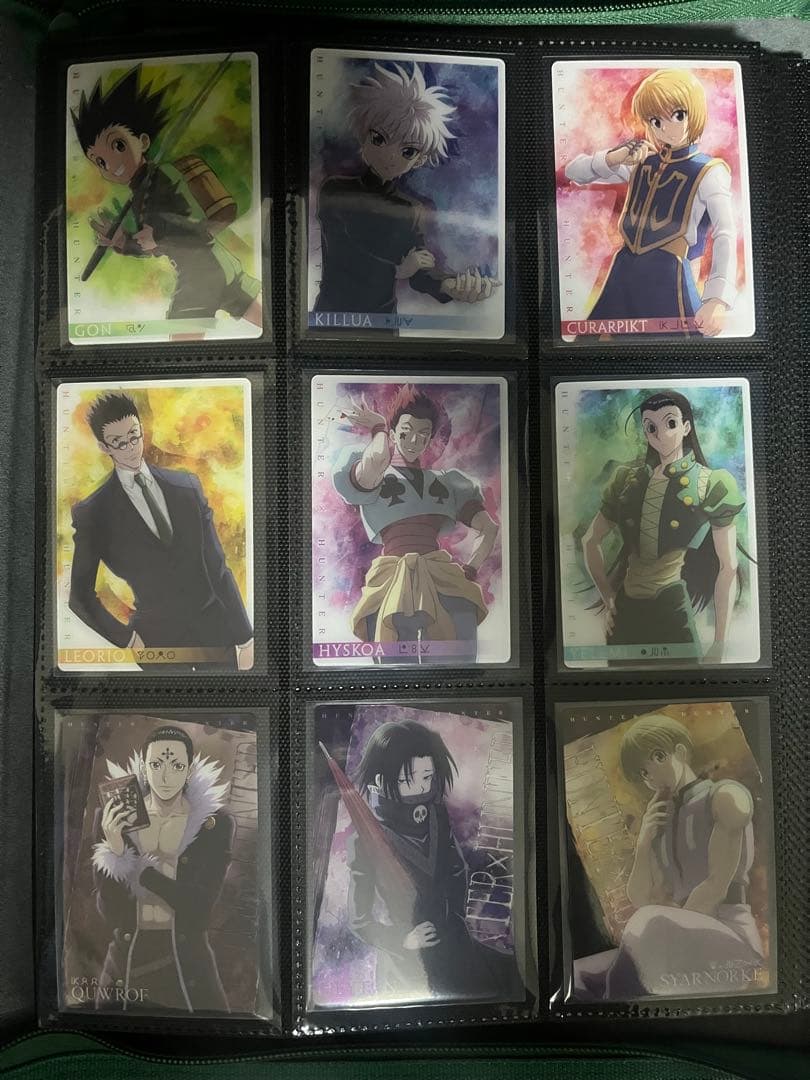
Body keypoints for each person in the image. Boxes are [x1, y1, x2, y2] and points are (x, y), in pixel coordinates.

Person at [573, 714, 765, 1000]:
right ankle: (616, 985)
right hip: (681, 940)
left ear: (682, 752)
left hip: (731, 937)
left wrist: (668, 931)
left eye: (658, 757)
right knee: (575, 972)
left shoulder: (724, 797)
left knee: (652, 921)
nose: (651, 774)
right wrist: (644, 841)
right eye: (643, 772)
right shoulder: (660, 822)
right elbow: (640, 897)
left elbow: (715, 887)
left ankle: (615, 988)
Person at [68, 392, 254, 670]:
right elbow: (80, 596)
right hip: (156, 644)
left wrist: (246, 638)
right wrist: (127, 639)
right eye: (119, 443)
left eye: (134, 436)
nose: (131, 448)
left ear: (142, 429)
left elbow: (217, 567)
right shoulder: (94, 513)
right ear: (104, 447)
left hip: (215, 633)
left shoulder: (187, 487)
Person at [71, 63, 262, 329]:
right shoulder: (139, 193)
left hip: (202, 272)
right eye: (100, 161)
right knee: (268, 322)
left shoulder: (168, 174)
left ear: (143, 142)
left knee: (182, 339)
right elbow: (157, 245)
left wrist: (159, 235)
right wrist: (125, 242)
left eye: (118, 145)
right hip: (212, 268)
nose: (111, 164)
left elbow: (207, 220)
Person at [314, 61, 498, 315]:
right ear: (363, 134)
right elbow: (344, 253)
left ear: (420, 159)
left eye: (408, 151)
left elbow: (421, 272)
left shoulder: (412, 209)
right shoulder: (336, 190)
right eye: (379, 138)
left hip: (383, 322)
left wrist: (451, 287)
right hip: (333, 316)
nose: (390, 156)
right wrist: (397, 270)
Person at [564, 68, 737, 336]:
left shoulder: (709, 171)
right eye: (656, 120)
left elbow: (725, 232)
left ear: (694, 114)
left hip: (668, 276)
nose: (665, 128)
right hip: (623, 271)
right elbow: (574, 172)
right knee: (590, 346)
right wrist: (613, 158)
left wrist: (717, 299)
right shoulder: (642, 162)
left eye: (677, 115)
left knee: (673, 349)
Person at [332, 384, 499, 662]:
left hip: (440, 574)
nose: (413, 440)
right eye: (406, 432)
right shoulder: (376, 474)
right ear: (393, 434)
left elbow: (489, 528)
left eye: (423, 434)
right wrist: (378, 428)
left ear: (430, 438)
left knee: (458, 650)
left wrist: (470, 569)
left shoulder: (447, 483)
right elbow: (377, 459)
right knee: (394, 656)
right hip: (391, 578)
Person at [348, 720, 510, 1001]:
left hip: (453, 940)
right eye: (408, 780)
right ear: (380, 780)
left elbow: (456, 867)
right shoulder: (364, 839)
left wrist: (454, 915)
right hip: (409, 963)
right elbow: (359, 919)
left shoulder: (436, 815)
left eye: (427, 777)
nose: (421, 788)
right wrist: (402, 938)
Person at [581, 390, 745, 663]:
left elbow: (728, 567)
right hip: (625, 615)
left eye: (670, 423)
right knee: (620, 690)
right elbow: (590, 541)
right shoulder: (627, 480)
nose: (661, 434)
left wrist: (719, 643)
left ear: (686, 427)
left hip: (671, 611)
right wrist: (609, 599)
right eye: (651, 427)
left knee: (682, 688)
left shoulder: (710, 483)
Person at [91, 724, 234, 1012]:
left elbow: (199, 909)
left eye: (177, 765)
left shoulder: (215, 824)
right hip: (126, 958)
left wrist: (143, 874)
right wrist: (115, 850)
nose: (166, 776)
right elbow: (112, 912)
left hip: (188, 960)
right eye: (156, 764)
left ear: (189, 769)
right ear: (144, 767)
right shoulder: (112, 818)